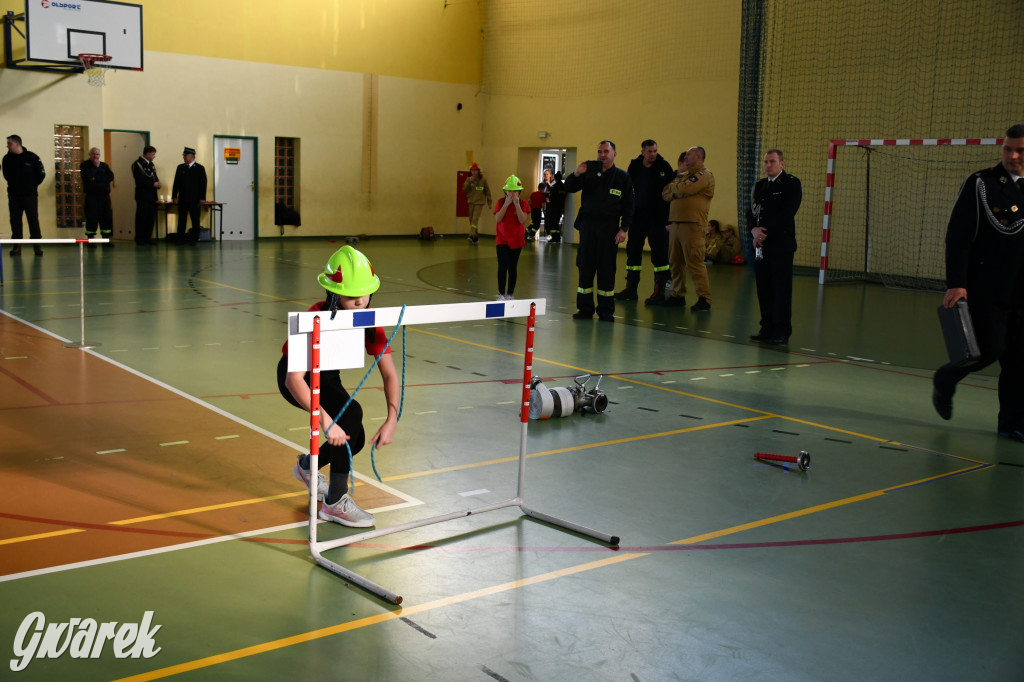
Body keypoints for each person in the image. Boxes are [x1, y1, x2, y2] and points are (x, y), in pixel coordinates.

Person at [278, 245, 400, 526]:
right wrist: (325, 421)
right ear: (333, 293)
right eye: (350, 296)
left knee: (353, 439)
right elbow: (293, 379)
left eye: (364, 294)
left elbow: (389, 374)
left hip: (328, 377)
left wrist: (392, 418)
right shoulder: (313, 318)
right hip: (298, 377)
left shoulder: (369, 320)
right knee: (349, 416)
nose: (359, 302)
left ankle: (308, 466)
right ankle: (334, 502)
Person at [932, 124, 1024, 442]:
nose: (1012, 156)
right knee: (990, 349)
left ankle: (1011, 423)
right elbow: (958, 237)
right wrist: (956, 283)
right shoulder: (982, 184)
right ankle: (947, 378)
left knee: (1018, 360)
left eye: (1020, 151)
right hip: (988, 288)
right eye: (1007, 149)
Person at [564, 140, 634, 321]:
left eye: (606, 152)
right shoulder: (588, 173)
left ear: (614, 154)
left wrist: (624, 229)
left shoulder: (622, 177)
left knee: (606, 269)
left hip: (610, 229)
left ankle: (605, 310)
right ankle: (585, 309)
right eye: (599, 152)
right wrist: (577, 173)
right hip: (588, 227)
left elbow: (629, 205)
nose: (602, 155)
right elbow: (568, 187)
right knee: (585, 268)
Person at [747, 149, 803, 343]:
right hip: (761, 245)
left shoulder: (791, 184)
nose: (768, 165)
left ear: (782, 164)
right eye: (766, 162)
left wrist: (764, 232)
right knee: (764, 288)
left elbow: (787, 213)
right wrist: (754, 231)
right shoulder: (760, 185)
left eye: (772, 161)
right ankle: (767, 328)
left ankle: (781, 332)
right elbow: (751, 213)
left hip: (781, 244)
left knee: (781, 289)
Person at [618, 139, 674, 304]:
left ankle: (659, 291)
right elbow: (628, 190)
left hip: (657, 218)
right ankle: (631, 289)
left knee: (659, 254)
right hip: (638, 217)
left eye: (655, 151)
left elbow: (671, 195)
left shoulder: (664, 167)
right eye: (649, 151)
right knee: (633, 250)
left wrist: (668, 219)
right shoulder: (634, 166)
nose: (653, 154)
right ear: (642, 152)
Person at [662, 146, 715, 311]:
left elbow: (686, 189)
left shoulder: (704, 175)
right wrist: (678, 191)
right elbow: (665, 193)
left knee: (695, 262)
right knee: (675, 262)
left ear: (698, 157)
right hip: (676, 224)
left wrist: (677, 190)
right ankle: (678, 294)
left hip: (692, 226)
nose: (685, 156)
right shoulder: (683, 175)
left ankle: (704, 299)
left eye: (689, 154)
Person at [2, 134, 46, 256]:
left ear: (17, 144)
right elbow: (6, 176)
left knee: (33, 220)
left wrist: (32, 186)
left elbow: (41, 174)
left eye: (9, 143)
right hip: (14, 195)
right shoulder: (6, 159)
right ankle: (17, 247)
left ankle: (37, 247)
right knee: (15, 221)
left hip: (30, 195)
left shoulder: (32, 157)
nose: (7, 146)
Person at [493, 175, 530, 300]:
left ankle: (510, 294)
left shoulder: (523, 204)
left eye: (514, 191)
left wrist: (516, 204)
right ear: (505, 191)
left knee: (512, 267)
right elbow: (498, 218)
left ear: (519, 192)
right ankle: (501, 293)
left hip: (517, 240)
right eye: (509, 191)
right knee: (502, 266)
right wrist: (507, 204)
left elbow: (522, 220)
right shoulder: (500, 202)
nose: (512, 193)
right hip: (502, 239)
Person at [80, 147, 115, 247]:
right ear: (89, 154)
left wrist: (96, 178)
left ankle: (106, 240)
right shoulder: (85, 165)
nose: (95, 156)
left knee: (106, 217)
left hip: (104, 197)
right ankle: (91, 241)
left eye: (97, 154)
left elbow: (111, 177)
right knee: (92, 217)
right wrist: (96, 168)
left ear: (100, 155)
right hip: (92, 197)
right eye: (93, 154)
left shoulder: (104, 165)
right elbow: (89, 177)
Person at [171, 146, 207, 245]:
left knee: (195, 219)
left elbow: (203, 184)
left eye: (185, 155)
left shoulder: (200, 168)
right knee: (181, 219)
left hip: (195, 199)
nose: (183, 157)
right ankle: (180, 238)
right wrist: (174, 196)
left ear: (191, 157)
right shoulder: (180, 167)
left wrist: (202, 198)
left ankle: (194, 239)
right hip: (182, 199)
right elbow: (176, 183)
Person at [132, 145, 161, 245]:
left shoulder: (151, 164)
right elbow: (139, 180)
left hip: (152, 196)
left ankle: (147, 237)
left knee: (150, 218)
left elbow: (154, 176)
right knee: (142, 217)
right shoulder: (138, 164)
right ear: (147, 154)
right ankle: (140, 238)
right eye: (153, 154)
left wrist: (158, 183)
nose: (154, 156)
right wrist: (152, 184)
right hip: (143, 195)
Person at [462, 162, 492, 245]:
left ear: (478, 171)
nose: (474, 172)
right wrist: (468, 182)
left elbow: (487, 191)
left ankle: (471, 235)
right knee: (471, 220)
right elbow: (465, 190)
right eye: (472, 170)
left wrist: (489, 202)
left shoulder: (483, 180)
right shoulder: (469, 179)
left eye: (475, 170)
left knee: (475, 219)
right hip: (471, 201)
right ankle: (475, 237)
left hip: (479, 202)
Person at [545, 171, 567, 243]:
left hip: (554, 207)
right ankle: (557, 236)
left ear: (555, 178)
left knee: (553, 223)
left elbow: (551, 196)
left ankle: (554, 237)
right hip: (560, 207)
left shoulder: (555, 186)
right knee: (556, 222)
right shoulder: (563, 186)